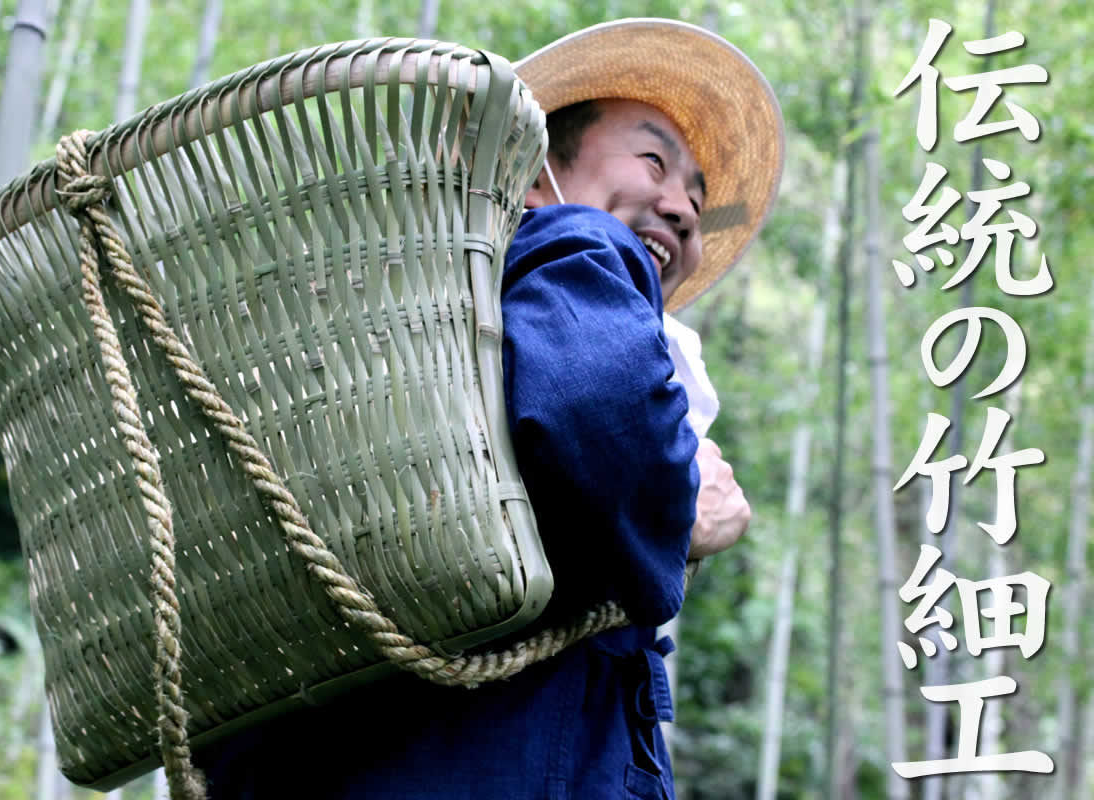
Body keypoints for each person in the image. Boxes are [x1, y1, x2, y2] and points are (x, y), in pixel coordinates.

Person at [196, 18, 782, 799]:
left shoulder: (398, 354)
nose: (681, 207)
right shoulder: (569, 241)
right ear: (534, 174)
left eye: (698, 198)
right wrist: (685, 510)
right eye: (653, 161)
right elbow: (594, 410)